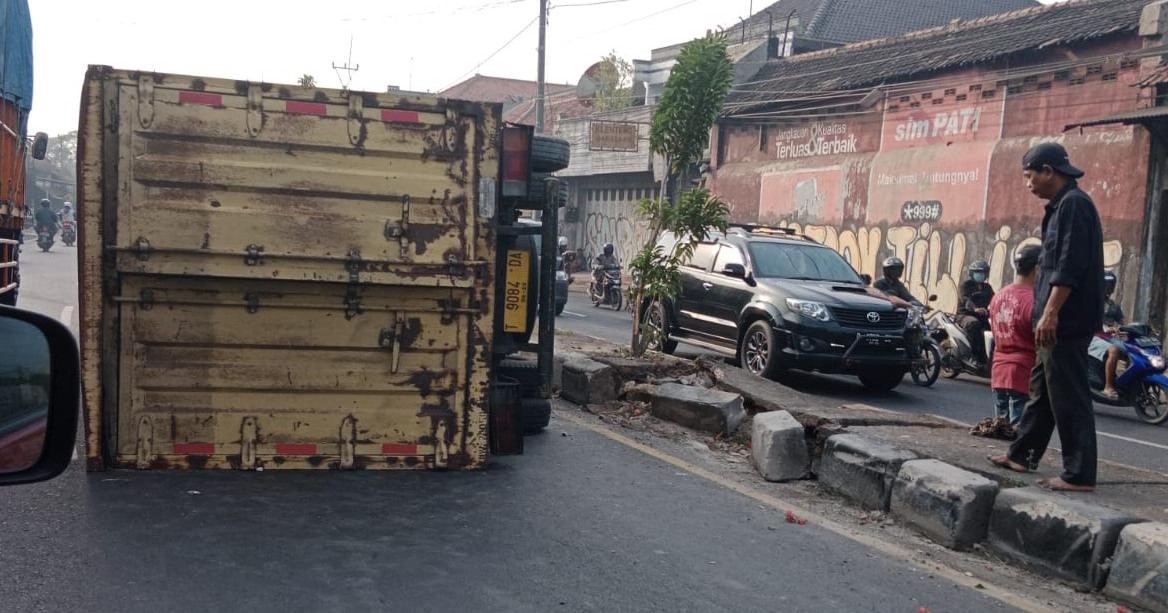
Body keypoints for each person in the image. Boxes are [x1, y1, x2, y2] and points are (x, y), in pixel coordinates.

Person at [990, 142, 1104, 493]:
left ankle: (1079, 473)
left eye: (1029, 176)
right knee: (1042, 391)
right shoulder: (1059, 206)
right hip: (1051, 319)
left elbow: (1069, 265)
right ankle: (1022, 453)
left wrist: (1051, 312)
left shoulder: (1074, 205)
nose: (1028, 184)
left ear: (1047, 171)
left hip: (1066, 320)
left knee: (1069, 394)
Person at [987, 245, 1041, 427]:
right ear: (1038, 268)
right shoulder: (1034, 301)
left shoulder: (998, 296)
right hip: (1023, 374)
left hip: (999, 372)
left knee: (999, 433)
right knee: (1018, 437)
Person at [1088, 270, 1126, 399]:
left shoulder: (1113, 306)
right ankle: (1108, 387)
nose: (1108, 288)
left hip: (1109, 338)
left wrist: (1121, 328)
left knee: (1131, 352)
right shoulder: (1091, 302)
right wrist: (1105, 328)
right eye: (1106, 285)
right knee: (1113, 351)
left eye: (1111, 285)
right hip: (1092, 337)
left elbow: (1123, 322)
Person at [958, 260, 994, 366]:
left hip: (983, 316)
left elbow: (995, 299)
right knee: (974, 324)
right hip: (965, 315)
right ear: (972, 273)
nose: (981, 275)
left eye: (983, 272)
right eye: (978, 272)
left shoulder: (987, 287)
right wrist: (975, 309)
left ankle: (987, 357)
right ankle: (971, 356)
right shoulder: (965, 285)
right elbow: (965, 299)